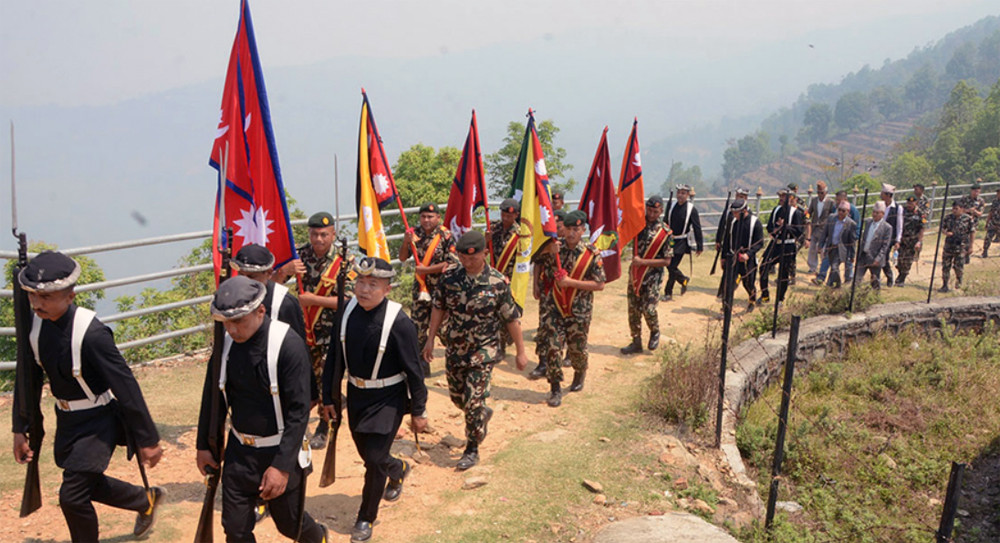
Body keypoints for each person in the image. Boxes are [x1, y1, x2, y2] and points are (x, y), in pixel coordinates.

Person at [13, 251, 165, 543]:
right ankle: (144, 500)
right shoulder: (34, 330)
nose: (36, 303)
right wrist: (20, 428)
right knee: (87, 484)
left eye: (46, 297)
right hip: (67, 419)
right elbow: (28, 380)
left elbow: (126, 386)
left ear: (70, 296)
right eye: (33, 295)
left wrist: (147, 439)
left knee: (71, 496)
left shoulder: (92, 333)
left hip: (98, 421)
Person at [196, 276, 328, 543]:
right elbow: (213, 397)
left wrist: (281, 467)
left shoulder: (288, 345)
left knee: (291, 525)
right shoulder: (225, 345)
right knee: (235, 529)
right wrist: (204, 445)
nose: (231, 330)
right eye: (226, 322)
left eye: (238, 321)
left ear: (260, 311)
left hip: (279, 450)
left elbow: (298, 411)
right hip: (239, 452)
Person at [323, 257, 429, 543]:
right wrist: (329, 398)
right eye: (360, 282)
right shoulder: (346, 313)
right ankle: (398, 469)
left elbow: (414, 370)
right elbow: (334, 358)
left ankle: (365, 517)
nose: (364, 289)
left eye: (372, 284)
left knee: (373, 460)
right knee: (369, 455)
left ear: (388, 288)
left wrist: (418, 410)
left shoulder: (399, 322)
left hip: (388, 398)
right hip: (357, 396)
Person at [423, 231, 527, 470]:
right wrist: (430, 339)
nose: (468, 262)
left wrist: (521, 351)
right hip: (455, 347)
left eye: (473, 257)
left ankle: (472, 448)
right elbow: (438, 307)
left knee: (472, 401)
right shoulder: (449, 278)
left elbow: (512, 319)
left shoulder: (498, 282)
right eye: (463, 257)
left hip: (484, 349)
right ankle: (481, 413)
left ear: (484, 254)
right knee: (459, 398)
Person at [275, 211, 349, 450]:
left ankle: (324, 427)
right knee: (303, 381)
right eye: (315, 234)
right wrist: (284, 271)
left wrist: (313, 300)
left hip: (331, 332)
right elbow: (272, 286)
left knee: (327, 381)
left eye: (324, 235)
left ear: (333, 234)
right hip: (301, 332)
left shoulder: (344, 260)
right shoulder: (299, 256)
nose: (319, 239)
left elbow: (349, 300)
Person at [537, 210, 605, 406]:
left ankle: (579, 372)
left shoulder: (592, 254)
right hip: (555, 306)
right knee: (552, 346)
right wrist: (547, 251)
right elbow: (535, 259)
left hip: (579, 309)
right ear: (563, 230)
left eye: (576, 229)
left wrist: (571, 283)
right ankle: (555, 388)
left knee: (577, 348)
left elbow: (599, 285)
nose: (572, 233)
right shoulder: (555, 249)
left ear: (583, 229)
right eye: (568, 229)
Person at [398, 202, 457, 374]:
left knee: (445, 330)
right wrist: (405, 242)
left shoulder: (446, 236)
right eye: (423, 216)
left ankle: (456, 361)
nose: (426, 220)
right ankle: (423, 366)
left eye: (430, 217)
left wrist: (427, 270)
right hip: (420, 290)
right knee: (418, 329)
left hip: (441, 289)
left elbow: (452, 263)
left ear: (438, 218)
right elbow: (402, 257)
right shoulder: (414, 234)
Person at [621, 196, 672, 354]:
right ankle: (636, 341)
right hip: (636, 273)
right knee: (633, 309)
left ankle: (655, 331)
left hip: (652, 276)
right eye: (649, 210)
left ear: (661, 211)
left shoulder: (666, 232)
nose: (651, 214)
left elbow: (667, 261)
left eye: (655, 211)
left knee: (648, 309)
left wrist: (643, 262)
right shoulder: (638, 224)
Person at [233, 244, 306, 341]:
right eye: (241, 275)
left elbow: (296, 346)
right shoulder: (232, 299)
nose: (246, 282)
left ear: (268, 273)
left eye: (252, 277)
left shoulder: (285, 304)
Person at [529, 210, 568, 380]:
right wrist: (535, 284)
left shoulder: (570, 244)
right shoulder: (546, 242)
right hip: (547, 291)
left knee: (565, 329)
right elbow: (536, 261)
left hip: (566, 294)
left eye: (559, 227)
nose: (556, 230)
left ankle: (566, 358)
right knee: (544, 327)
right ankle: (543, 362)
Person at [760, 189, 804, 304]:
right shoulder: (776, 210)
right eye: (780, 196)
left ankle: (780, 298)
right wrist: (775, 229)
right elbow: (769, 226)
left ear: (791, 198)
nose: (781, 198)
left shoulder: (796, 213)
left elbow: (799, 231)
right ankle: (765, 295)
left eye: (784, 196)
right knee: (763, 267)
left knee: (783, 273)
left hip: (788, 244)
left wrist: (786, 227)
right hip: (775, 243)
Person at [489, 198, 520, 356]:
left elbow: (522, 259)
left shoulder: (520, 234)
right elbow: (485, 252)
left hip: (511, 278)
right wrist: (485, 240)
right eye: (503, 214)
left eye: (510, 215)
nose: (506, 218)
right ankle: (499, 347)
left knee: (508, 312)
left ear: (516, 215)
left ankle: (508, 337)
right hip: (494, 276)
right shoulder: (493, 227)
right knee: (495, 312)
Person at [721, 199, 764, 310]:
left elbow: (760, 243)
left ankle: (752, 300)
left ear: (744, 210)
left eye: (737, 212)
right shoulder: (733, 222)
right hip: (734, 257)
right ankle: (726, 305)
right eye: (733, 212)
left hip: (748, 259)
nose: (734, 215)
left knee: (748, 283)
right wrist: (723, 257)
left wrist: (748, 254)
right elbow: (727, 239)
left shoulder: (755, 222)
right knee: (729, 283)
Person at [662, 184, 703, 301]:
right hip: (670, 240)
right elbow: (665, 220)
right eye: (679, 192)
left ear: (688, 195)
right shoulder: (671, 205)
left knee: (672, 266)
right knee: (668, 265)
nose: (680, 195)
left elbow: (697, 227)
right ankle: (683, 279)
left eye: (683, 193)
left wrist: (700, 245)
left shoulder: (691, 210)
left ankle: (668, 292)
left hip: (681, 241)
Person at [715, 187, 750, 299]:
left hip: (743, 253)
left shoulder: (749, 216)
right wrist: (718, 240)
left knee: (746, 280)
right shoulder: (729, 211)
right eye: (738, 196)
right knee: (727, 275)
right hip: (730, 249)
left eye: (742, 196)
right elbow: (723, 227)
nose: (739, 198)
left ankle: (752, 296)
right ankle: (723, 294)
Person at [939, 200, 975, 292]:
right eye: (953, 209)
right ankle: (945, 285)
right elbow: (942, 228)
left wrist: (971, 246)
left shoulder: (968, 219)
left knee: (958, 266)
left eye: (956, 209)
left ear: (962, 209)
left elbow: (972, 232)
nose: (954, 211)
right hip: (949, 245)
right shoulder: (948, 218)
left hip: (961, 246)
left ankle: (959, 282)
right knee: (946, 266)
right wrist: (946, 233)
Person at [857, 202, 894, 290]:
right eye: (874, 212)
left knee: (875, 280)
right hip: (863, 255)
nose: (875, 214)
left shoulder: (887, 227)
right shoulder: (869, 222)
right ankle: (854, 295)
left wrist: (878, 259)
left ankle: (875, 297)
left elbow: (885, 246)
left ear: (882, 214)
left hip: (875, 257)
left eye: (877, 213)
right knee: (857, 278)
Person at [821, 201, 858, 288]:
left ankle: (837, 285)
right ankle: (830, 284)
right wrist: (821, 245)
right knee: (833, 267)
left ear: (848, 212)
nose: (840, 212)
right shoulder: (831, 218)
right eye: (839, 210)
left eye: (843, 211)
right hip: (831, 247)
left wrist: (852, 255)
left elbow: (852, 242)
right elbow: (825, 232)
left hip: (841, 249)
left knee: (834, 267)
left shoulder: (851, 224)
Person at [894, 197, 925, 287]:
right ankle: (901, 274)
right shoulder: (902, 211)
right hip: (902, 240)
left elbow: (922, 228)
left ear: (916, 203)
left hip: (913, 241)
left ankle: (901, 279)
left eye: (912, 203)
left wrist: (919, 241)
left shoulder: (920, 214)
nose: (909, 205)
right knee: (899, 260)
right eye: (908, 203)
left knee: (907, 261)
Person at [805, 181, 835, 275]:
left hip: (824, 229)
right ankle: (812, 267)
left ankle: (823, 268)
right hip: (814, 227)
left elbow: (832, 215)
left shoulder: (831, 202)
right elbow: (809, 212)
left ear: (825, 192)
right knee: (812, 248)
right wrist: (807, 217)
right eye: (818, 192)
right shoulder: (814, 200)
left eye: (821, 192)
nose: (820, 195)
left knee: (822, 249)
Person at [879, 184, 904, 287]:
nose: (881, 195)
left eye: (883, 193)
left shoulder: (897, 208)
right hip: (878, 236)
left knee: (883, 257)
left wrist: (898, 240)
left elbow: (899, 225)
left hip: (889, 237)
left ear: (888, 195)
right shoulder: (880, 205)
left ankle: (889, 276)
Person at [957, 181, 986, 264]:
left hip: (973, 223)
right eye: (974, 191)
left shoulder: (981, 201)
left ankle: (967, 255)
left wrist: (975, 211)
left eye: (978, 191)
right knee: (962, 239)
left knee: (970, 239)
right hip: (963, 222)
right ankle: (960, 255)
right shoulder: (964, 199)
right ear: (971, 190)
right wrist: (968, 210)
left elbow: (980, 213)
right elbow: (959, 209)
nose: (976, 193)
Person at [982, 187, 1000, 258]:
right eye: (998, 193)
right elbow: (991, 212)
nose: (998, 194)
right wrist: (987, 222)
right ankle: (985, 251)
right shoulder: (995, 201)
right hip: (993, 223)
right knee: (988, 237)